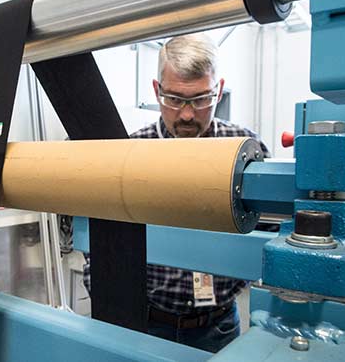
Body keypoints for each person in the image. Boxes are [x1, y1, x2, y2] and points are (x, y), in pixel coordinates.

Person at [83, 33, 269, 353]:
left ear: (219, 89)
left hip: (218, 326)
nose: (186, 114)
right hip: (145, 325)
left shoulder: (245, 149)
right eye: (174, 99)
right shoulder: (128, 153)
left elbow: (266, 231)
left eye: (200, 99)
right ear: (157, 90)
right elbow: (100, 243)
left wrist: (227, 286)